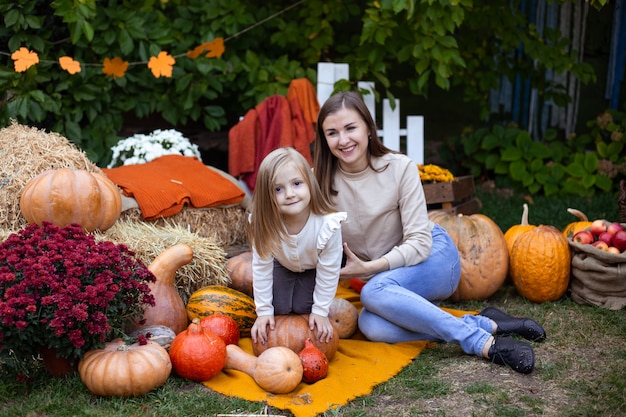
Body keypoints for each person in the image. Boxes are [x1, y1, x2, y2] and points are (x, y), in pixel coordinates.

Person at [313, 91, 546, 374]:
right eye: (332, 133)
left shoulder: (399, 168)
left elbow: (420, 244)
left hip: (432, 259)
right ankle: (483, 324)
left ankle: (481, 343)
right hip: (388, 281)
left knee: (373, 292)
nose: (344, 140)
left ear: (368, 128)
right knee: (371, 326)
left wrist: (369, 268)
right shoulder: (320, 182)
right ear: (324, 139)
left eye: (351, 128)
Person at [248, 147, 347, 346]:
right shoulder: (265, 224)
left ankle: (309, 300)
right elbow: (262, 268)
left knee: (304, 307)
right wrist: (264, 311)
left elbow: (328, 270)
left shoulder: (328, 225)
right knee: (280, 308)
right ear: (267, 195)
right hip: (282, 265)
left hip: (313, 268)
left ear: (309, 183)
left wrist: (320, 311)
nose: (290, 194)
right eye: (278, 189)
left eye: (296, 183)